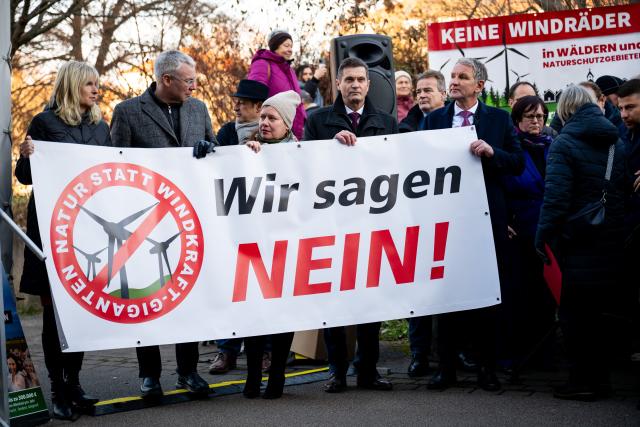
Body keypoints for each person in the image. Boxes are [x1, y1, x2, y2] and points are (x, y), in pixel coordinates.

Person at [111, 50, 214, 398]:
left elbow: (215, 154)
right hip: (145, 224)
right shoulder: (127, 112)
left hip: (189, 221)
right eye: (188, 80)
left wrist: (208, 149)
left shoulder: (199, 109)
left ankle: (189, 372)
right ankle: (149, 375)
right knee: (149, 300)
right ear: (166, 80)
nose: (194, 85)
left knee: (188, 298)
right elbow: (115, 167)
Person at [424, 58, 524, 392]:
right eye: (452, 76)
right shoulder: (434, 119)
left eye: (462, 77)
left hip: (485, 219)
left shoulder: (499, 120)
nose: (453, 82)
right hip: (445, 220)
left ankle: (486, 369)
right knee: (446, 295)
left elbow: (518, 162)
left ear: (479, 85)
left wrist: (492, 152)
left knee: (486, 297)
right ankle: (446, 369)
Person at [15, 60, 106, 419]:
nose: (96, 90)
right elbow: (25, 176)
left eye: (97, 84)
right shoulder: (44, 123)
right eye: (89, 84)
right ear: (72, 86)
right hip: (53, 229)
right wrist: (25, 157)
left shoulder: (101, 127)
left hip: (91, 232)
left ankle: (75, 384)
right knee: (56, 314)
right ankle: (58, 389)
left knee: (80, 311)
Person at [304, 57, 398, 393]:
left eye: (361, 79)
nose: (356, 85)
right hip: (333, 226)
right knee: (336, 305)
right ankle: (337, 372)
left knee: (371, 303)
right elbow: (305, 166)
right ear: (338, 84)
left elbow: (396, 169)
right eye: (349, 80)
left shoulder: (387, 122)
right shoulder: (317, 122)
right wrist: (331, 148)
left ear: (369, 85)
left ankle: (368, 370)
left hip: (372, 225)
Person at [535, 85, 626, 401]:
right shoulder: (617, 141)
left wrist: (542, 236)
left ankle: (581, 382)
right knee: (600, 316)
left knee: (574, 316)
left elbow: (556, 199)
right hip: (611, 240)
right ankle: (602, 381)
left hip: (577, 242)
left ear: (564, 110)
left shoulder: (564, 144)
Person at [241, 90, 300, 399]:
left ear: (286, 124)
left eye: (271, 118)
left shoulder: (302, 152)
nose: (264, 122)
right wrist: (245, 156)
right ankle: (252, 377)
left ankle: (276, 375)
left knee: (283, 314)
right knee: (253, 314)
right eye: (262, 117)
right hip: (253, 246)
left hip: (286, 245)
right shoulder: (247, 150)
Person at [502, 96, 556, 369]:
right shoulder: (512, 151)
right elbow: (500, 188)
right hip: (521, 232)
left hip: (550, 233)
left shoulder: (552, 147)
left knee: (547, 294)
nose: (536, 122)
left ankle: (546, 353)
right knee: (521, 294)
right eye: (530, 117)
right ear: (517, 121)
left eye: (540, 117)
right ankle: (520, 353)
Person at [247, 30, 306, 140]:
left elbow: (297, 101)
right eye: (286, 45)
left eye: (291, 46)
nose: (290, 50)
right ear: (275, 45)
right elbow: (253, 95)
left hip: (291, 132)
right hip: (271, 130)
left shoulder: (290, 70)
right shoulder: (262, 63)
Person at [216, 79, 269, 147]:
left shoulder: (269, 132)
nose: (235, 108)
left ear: (259, 106)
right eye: (236, 102)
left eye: (241, 102)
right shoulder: (228, 131)